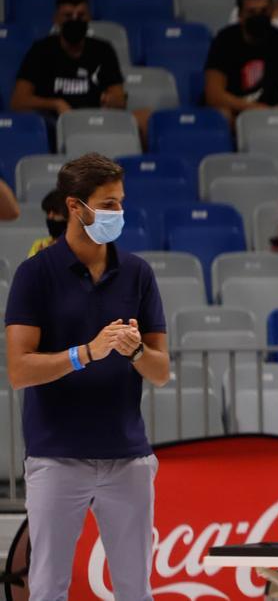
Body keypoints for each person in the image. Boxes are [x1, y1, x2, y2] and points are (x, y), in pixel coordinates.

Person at [4, 153, 169, 601]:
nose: (118, 213)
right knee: (48, 589)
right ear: (76, 207)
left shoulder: (137, 273)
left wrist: (134, 350)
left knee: (136, 590)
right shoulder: (35, 274)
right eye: (108, 204)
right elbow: (19, 370)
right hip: (57, 457)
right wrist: (86, 353)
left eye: (120, 203)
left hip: (127, 457)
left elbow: (161, 371)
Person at [11, 0, 148, 140]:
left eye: (81, 15)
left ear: (89, 18)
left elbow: (118, 97)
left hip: (97, 120)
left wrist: (113, 99)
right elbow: (18, 101)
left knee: (145, 117)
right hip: (56, 122)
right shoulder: (41, 50)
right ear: (56, 19)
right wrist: (55, 104)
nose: (75, 20)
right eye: (68, 16)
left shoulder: (103, 49)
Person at [204, 0, 278, 122]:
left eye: (264, 11)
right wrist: (252, 108)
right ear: (240, 15)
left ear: (271, 12)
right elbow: (214, 94)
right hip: (234, 108)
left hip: (272, 108)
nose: (258, 16)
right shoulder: (224, 39)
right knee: (223, 115)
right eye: (252, 12)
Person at [27, 189, 68, 257]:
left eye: (56, 212)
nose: (50, 217)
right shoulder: (38, 245)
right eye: (48, 212)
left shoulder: (82, 246)